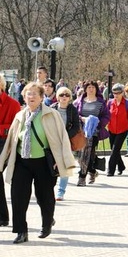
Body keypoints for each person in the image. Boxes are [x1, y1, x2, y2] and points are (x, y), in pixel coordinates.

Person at [0, 82, 75, 244]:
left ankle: (47, 223)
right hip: (22, 161)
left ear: (42, 97)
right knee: (18, 197)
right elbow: (12, 141)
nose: (31, 96)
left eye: (35, 93)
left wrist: (60, 160)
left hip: (44, 162)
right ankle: (21, 231)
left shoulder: (51, 114)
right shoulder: (20, 116)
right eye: (28, 93)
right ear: (24, 97)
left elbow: (62, 139)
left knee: (44, 197)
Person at [74, 80, 110, 186]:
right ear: (85, 89)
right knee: (80, 156)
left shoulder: (100, 102)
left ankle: (82, 177)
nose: (91, 89)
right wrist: (82, 119)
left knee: (88, 154)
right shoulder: (79, 102)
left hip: (94, 132)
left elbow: (106, 116)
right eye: (89, 87)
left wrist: (98, 122)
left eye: (93, 87)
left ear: (96, 89)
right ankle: (92, 171)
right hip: (80, 132)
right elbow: (74, 115)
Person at [50, 87, 81, 200]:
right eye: (62, 95)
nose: (64, 97)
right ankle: (49, 189)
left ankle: (61, 192)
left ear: (69, 97)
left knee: (65, 166)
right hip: (52, 140)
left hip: (66, 141)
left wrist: (66, 136)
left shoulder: (72, 109)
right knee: (50, 165)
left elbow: (76, 126)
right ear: (57, 97)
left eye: (67, 95)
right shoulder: (52, 108)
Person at [0, 73, 21, 226]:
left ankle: (3, 216)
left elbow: (17, 127)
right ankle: (3, 216)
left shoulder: (12, 104)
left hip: (4, 144)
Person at [106, 83, 128, 177]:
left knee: (114, 150)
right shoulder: (110, 103)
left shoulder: (127, 104)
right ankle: (121, 166)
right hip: (111, 129)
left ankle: (110, 170)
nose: (116, 95)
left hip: (123, 129)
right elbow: (106, 115)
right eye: (114, 93)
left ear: (122, 93)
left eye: (118, 93)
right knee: (114, 149)